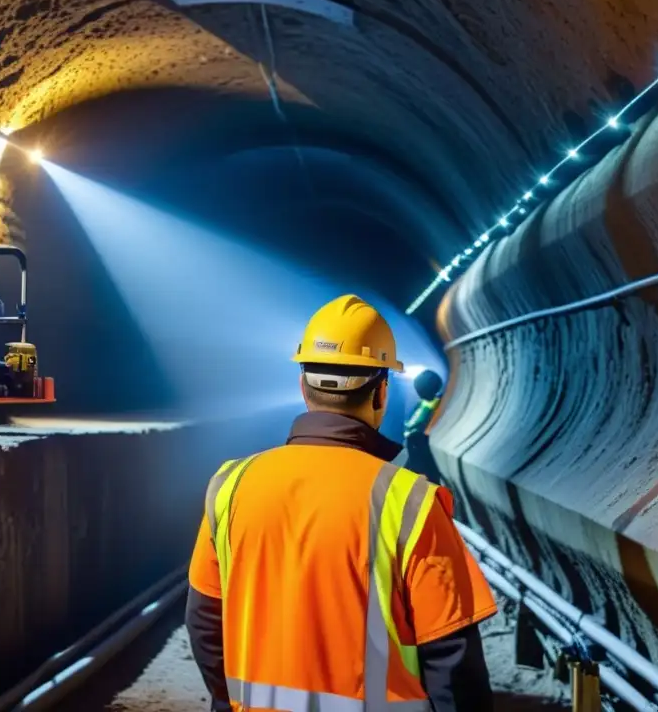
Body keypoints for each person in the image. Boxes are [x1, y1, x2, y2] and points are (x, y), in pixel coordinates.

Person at [186, 294, 498, 711]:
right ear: (381, 391)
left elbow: (205, 624)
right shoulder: (411, 504)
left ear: (303, 385)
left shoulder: (230, 486)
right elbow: (453, 665)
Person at [402, 369, 446, 485]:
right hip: (418, 440)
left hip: (415, 440)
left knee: (415, 470)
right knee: (424, 472)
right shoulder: (432, 403)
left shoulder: (423, 404)